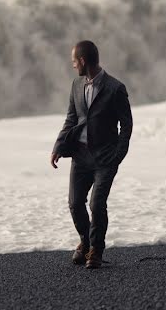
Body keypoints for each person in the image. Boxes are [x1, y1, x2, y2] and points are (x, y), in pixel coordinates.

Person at [50, 40, 133, 269]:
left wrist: (118, 154)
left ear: (83, 61)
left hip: (105, 157)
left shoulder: (115, 88)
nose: (73, 65)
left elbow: (126, 125)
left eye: (74, 61)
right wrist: (58, 146)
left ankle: (96, 249)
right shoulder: (76, 85)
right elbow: (71, 118)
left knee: (97, 204)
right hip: (80, 156)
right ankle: (85, 243)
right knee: (75, 203)